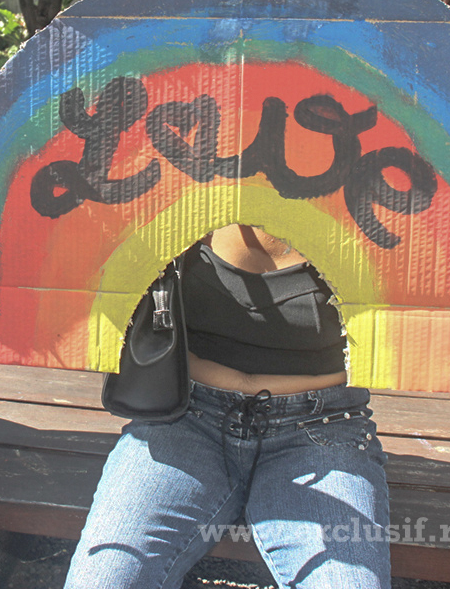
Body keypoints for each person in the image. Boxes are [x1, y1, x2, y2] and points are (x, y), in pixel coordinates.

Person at [64, 224, 390, 589]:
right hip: (186, 417)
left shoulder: (362, 205)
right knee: (104, 579)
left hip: (320, 427)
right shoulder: (183, 187)